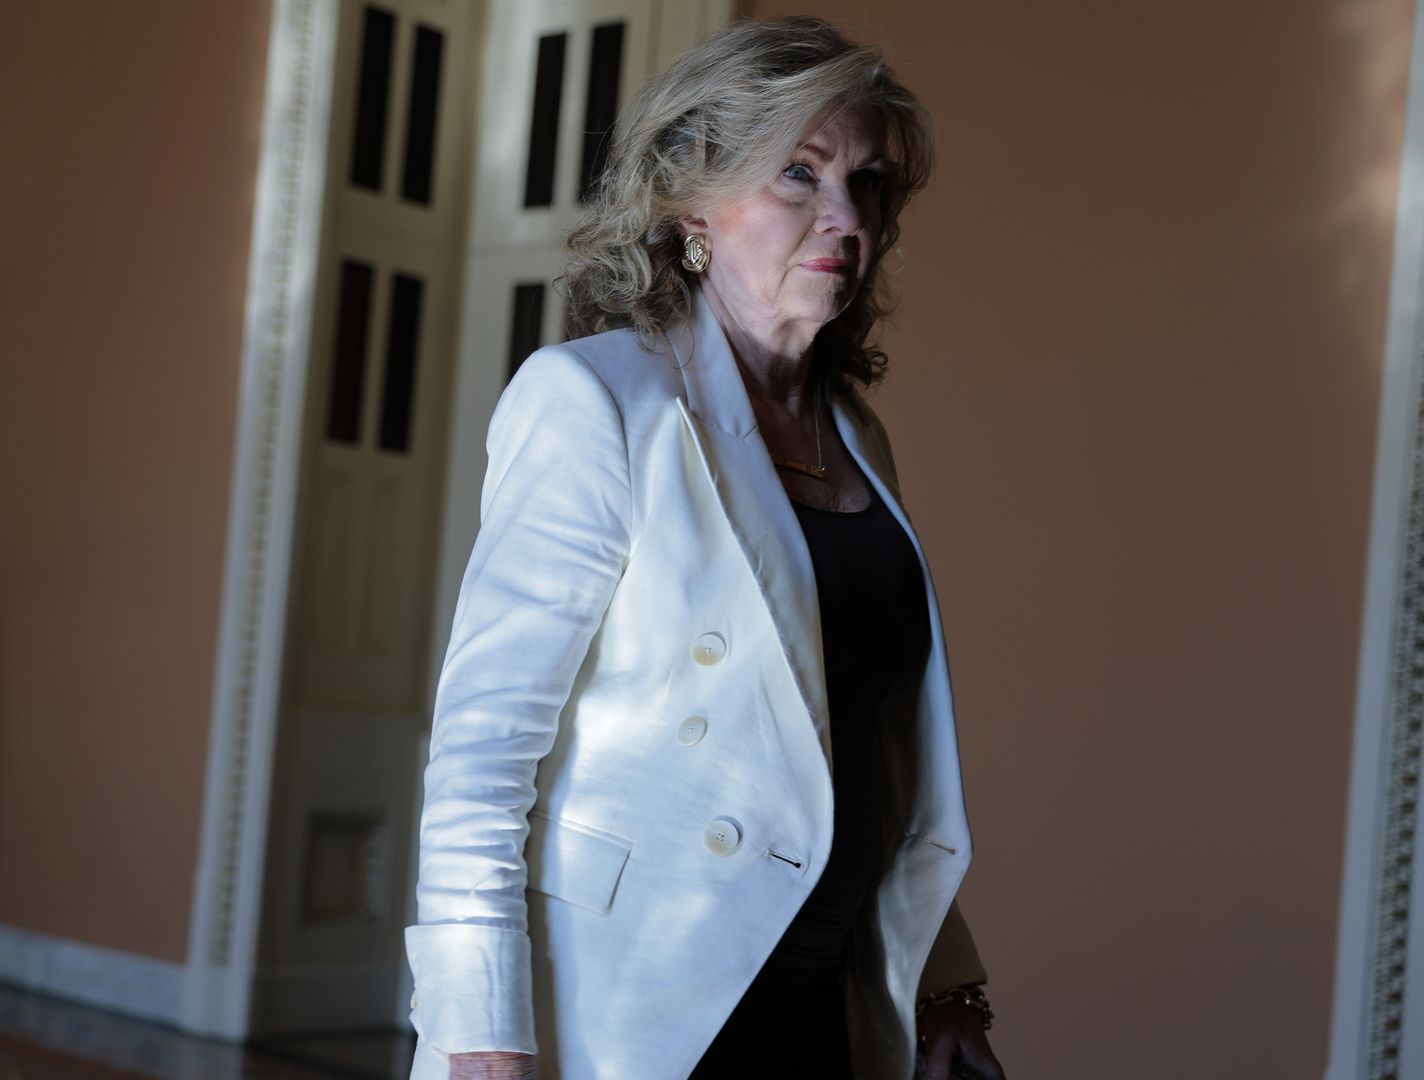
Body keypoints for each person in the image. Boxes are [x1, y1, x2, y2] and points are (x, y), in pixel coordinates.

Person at [404, 19, 1005, 1080]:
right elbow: (480, 759)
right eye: (799, 175)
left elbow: (876, 750)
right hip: (637, 1005)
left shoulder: (857, 437)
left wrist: (942, 982)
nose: (844, 216)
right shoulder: (593, 400)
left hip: (826, 997)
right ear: (691, 203)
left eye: (867, 185)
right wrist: (480, 1036)